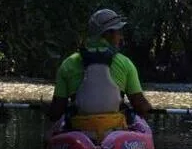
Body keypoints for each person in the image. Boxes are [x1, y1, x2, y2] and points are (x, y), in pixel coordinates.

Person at [48, 9, 151, 138]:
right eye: (119, 32)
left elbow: (56, 112)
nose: (121, 37)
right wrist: (148, 109)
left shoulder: (68, 64)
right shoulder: (125, 63)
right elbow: (141, 107)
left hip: (80, 134)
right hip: (114, 134)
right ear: (107, 34)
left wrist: (46, 109)